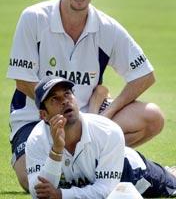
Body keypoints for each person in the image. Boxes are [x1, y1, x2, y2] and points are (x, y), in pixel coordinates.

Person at [7, 0, 164, 191]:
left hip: (87, 117)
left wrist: (104, 115)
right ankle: (97, 167)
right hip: (36, 116)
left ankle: (96, 165)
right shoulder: (34, 18)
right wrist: (57, 111)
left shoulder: (106, 27)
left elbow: (144, 75)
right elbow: (22, 80)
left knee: (153, 117)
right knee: (32, 182)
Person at [26, 77, 176, 199]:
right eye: (54, 99)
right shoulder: (36, 139)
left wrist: (61, 194)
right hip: (86, 183)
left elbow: (105, 190)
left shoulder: (108, 131)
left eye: (67, 94)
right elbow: (40, 194)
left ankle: (170, 173)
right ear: (43, 115)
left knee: (172, 186)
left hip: (131, 173)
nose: (65, 101)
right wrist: (56, 151)